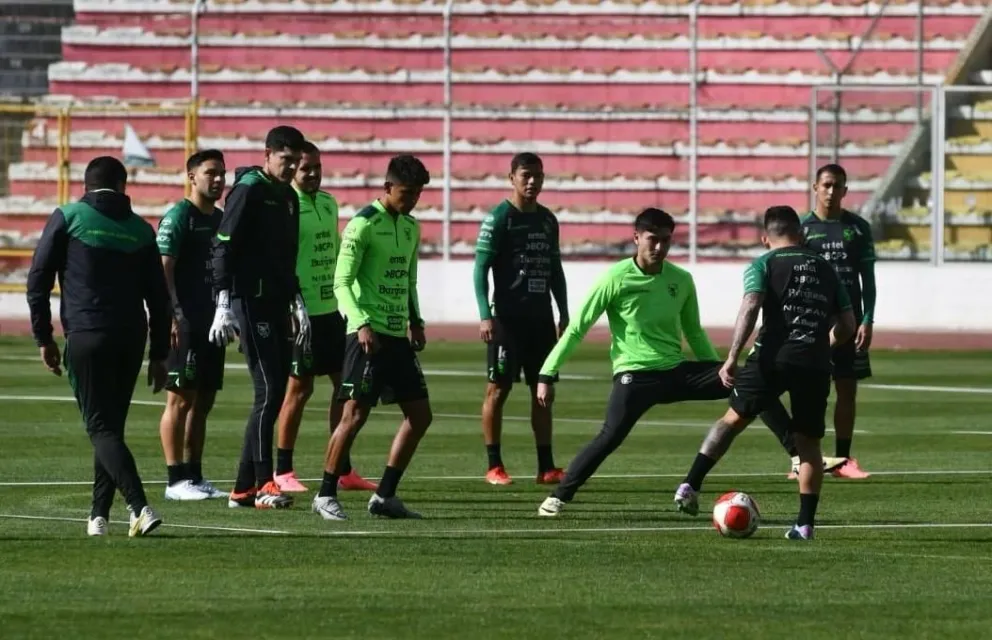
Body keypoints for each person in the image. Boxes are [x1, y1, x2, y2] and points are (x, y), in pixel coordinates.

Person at [673, 205, 856, 540]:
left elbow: (751, 306)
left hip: (771, 357)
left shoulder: (764, 263)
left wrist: (731, 356)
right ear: (800, 235)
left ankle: (690, 484)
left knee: (732, 420)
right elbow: (847, 325)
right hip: (813, 364)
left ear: (764, 237)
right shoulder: (827, 269)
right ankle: (804, 524)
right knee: (809, 444)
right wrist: (822, 345)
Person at [534, 208, 726, 517]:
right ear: (636, 238)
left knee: (749, 383)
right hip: (635, 376)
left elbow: (694, 332)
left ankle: (796, 456)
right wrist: (547, 372)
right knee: (610, 437)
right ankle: (559, 496)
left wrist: (720, 370)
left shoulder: (681, 279)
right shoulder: (615, 278)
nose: (660, 248)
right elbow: (578, 327)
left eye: (666, 240)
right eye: (653, 240)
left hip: (675, 370)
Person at [26, 155, 170, 537]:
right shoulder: (141, 230)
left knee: (100, 427)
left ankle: (139, 506)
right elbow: (159, 299)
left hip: (87, 334)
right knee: (112, 428)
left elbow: (37, 280)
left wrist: (44, 336)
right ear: (124, 188)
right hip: (130, 339)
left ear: (85, 185)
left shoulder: (69, 216)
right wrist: (158, 354)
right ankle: (98, 515)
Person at [311, 154, 432, 521]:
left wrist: (416, 319)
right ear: (387, 187)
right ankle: (325, 493)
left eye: (417, 195)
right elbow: (341, 282)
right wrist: (361, 322)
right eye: (406, 193)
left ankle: (385, 496)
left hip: (397, 335)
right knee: (354, 414)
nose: (411, 201)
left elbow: (408, 279)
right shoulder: (362, 225)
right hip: (368, 336)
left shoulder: (411, 227)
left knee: (420, 415)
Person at [210, 125, 311, 510]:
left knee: (274, 392)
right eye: (285, 160)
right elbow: (223, 246)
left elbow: (285, 258)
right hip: (248, 300)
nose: (290, 168)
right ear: (267, 155)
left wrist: (296, 300)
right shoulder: (249, 190)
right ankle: (267, 482)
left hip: (275, 302)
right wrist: (222, 301)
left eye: (295, 161)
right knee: (268, 391)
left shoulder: (287, 197)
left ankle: (241, 489)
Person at [272, 140, 376, 493]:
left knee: (345, 389)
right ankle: (283, 470)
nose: (313, 174)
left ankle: (342, 468)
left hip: (333, 311)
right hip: (302, 313)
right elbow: (281, 259)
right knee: (299, 389)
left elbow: (333, 253)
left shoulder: (330, 203)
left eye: (317, 167)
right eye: (305, 168)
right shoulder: (286, 205)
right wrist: (287, 305)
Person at [760, 164, 876, 479]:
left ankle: (843, 459)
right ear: (815, 187)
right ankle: (801, 459)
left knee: (847, 388)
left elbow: (868, 279)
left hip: (849, 320)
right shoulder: (803, 230)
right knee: (806, 387)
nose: (831, 191)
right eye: (825, 185)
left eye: (837, 186)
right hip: (813, 320)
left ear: (845, 191)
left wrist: (867, 318)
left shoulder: (858, 228)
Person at [473, 152, 568, 486]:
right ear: (511, 177)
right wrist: (486, 316)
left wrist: (564, 312)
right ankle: (494, 465)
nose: (532, 182)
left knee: (543, 393)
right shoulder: (500, 218)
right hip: (508, 322)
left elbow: (555, 270)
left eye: (538, 176)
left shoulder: (547, 220)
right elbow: (480, 269)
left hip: (541, 321)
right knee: (497, 391)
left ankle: (546, 467)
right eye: (526, 175)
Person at [155, 149, 228, 501]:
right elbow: (163, 270)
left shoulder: (221, 219)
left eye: (222, 174)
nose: (218, 179)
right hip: (183, 322)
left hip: (213, 323)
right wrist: (170, 315)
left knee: (203, 402)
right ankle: (174, 481)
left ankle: (194, 476)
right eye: (211, 172)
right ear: (192, 177)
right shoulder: (178, 217)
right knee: (179, 401)